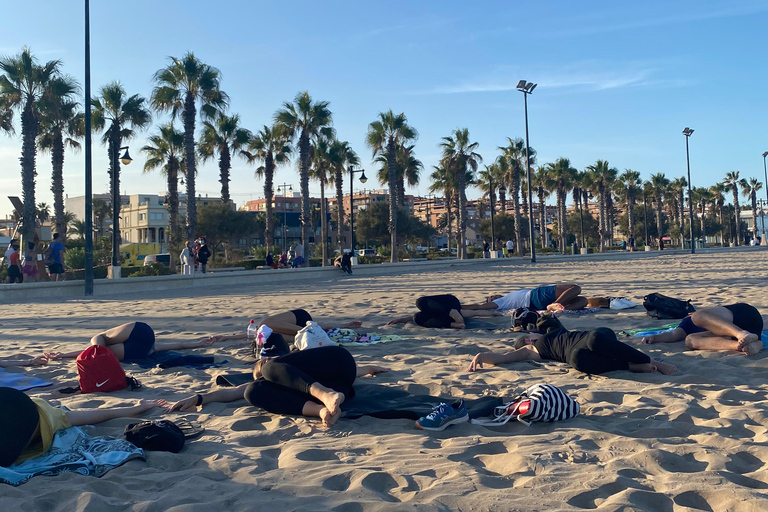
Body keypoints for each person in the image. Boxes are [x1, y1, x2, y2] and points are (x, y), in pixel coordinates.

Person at [167, 340, 386, 427]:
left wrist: (368, 369)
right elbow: (234, 392)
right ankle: (321, 411)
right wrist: (198, 398)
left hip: (336, 360)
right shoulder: (269, 383)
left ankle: (325, 396)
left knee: (269, 369)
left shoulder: (275, 364)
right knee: (252, 391)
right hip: (340, 383)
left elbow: (343, 365)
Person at [0, 387, 166, 467]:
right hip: (18, 407)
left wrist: (136, 408)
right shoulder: (56, 416)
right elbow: (101, 414)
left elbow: (100, 414)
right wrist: (137, 408)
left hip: (17, 409)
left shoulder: (52, 412)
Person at [467, 326, 677, 376]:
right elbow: (505, 358)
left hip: (593, 336)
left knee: (595, 340)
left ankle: (653, 361)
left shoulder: (554, 331)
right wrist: (482, 357)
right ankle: (631, 365)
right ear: (529, 339)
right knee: (576, 359)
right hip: (578, 352)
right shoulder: (531, 350)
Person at [43, 322, 217, 362]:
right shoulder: (110, 346)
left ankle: (96, 353)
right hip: (143, 335)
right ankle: (95, 351)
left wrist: (64, 355)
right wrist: (196, 343)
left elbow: (87, 351)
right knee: (99, 340)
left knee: (98, 341)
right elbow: (176, 346)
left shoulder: (111, 348)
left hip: (138, 349)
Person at [641, 303, 764, 356]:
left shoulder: (693, 318)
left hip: (743, 316)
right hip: (750, 331)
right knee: (689, 341)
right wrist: (654, 338)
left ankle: (741, 334)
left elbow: (674, 334)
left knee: (697, 316)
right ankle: (743, 345)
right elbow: (673, 335)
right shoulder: (687, 328)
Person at [205, 309, 363, 345]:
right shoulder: (261, 333)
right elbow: (255, 334)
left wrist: (344, 325)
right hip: (302, 330)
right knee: (266, 336)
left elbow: (258, 330)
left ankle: (310, 331)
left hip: (300, 318)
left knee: (264, 325)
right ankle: (310, 332)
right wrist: (227, 337)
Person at [385, 294, 503, 329]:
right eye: (492, 296)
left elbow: (477, 310)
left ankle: (451, 316)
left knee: (420, 301)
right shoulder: (461, 312)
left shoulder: (460, 309)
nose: (493, 297)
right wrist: (400, 320)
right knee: (416, 317)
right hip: (448, 315)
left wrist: (496, 313)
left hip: (451, 306)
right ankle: (453, 323)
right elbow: (476, 311)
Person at [464, 284, 588, 312]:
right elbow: (478, 307)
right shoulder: (500, 302)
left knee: (583, 301)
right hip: (535, 296)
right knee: (576, 288)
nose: (494, 296)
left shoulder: (506, 297)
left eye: (493, 295)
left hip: (536, 302)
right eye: (491, 298)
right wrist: (458, 306)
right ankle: (555, 304)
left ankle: (562, 309)